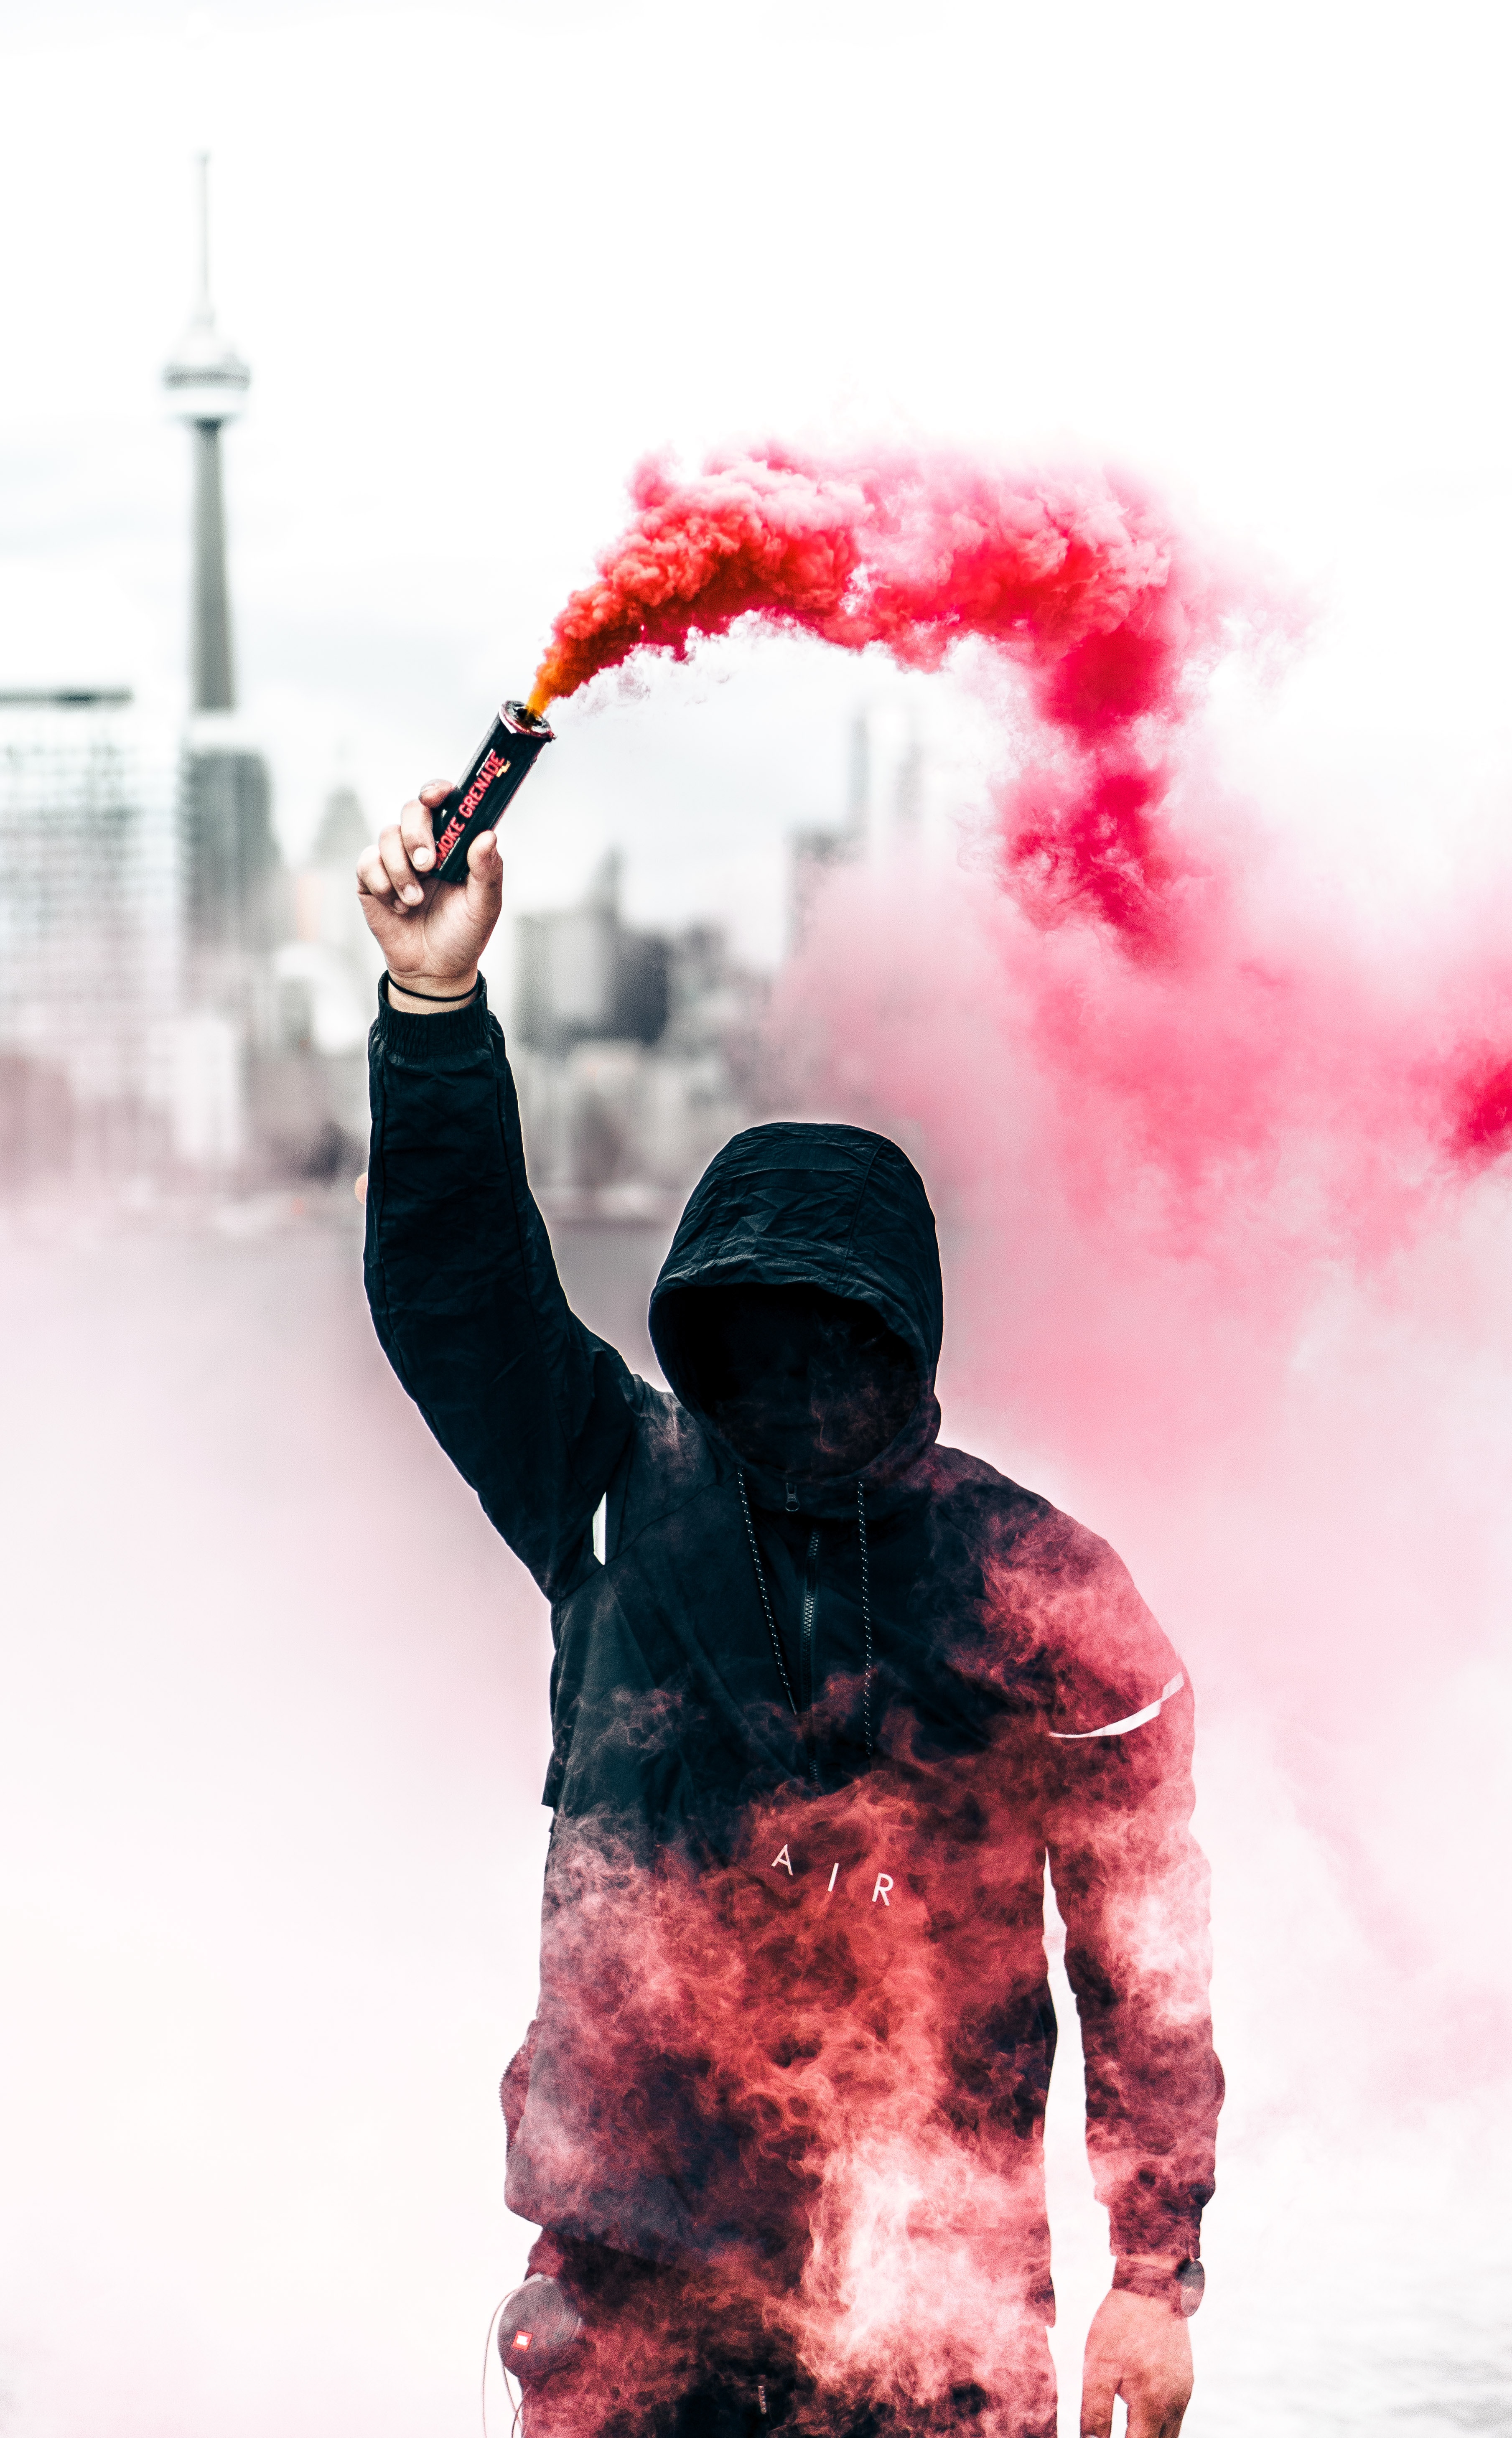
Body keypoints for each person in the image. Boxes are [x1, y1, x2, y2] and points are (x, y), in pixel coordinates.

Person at [357, 791, 1222, 2438]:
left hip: (936, 2311)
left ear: (907, 1344)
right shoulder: (612, 1483)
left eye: (837, 1342)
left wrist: (1150, 2276)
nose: (799, 1377)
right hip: (627, 2291)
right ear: (699, 1333)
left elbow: (1147, 1956)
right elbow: (454, 1289)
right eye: (759, 1337)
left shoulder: (1044, 1591)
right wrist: (431, 1010)